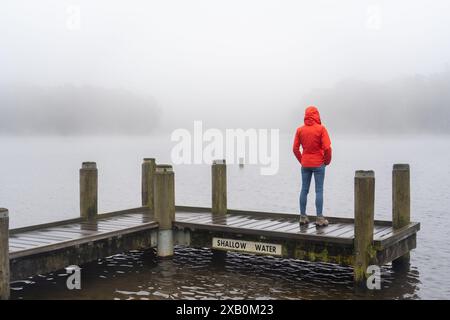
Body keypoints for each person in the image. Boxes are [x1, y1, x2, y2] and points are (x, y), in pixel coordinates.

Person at [292, 106, 332, 227]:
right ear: (317, 115)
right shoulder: (321, 129)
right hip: (319, 163)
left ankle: (303, 217)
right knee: (319, 190)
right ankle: (319, 218)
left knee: (304, 190)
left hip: (305, 164)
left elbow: (295, 149)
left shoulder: (300, 130)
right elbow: (327, 148)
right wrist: (326, 161)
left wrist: (302, 160)